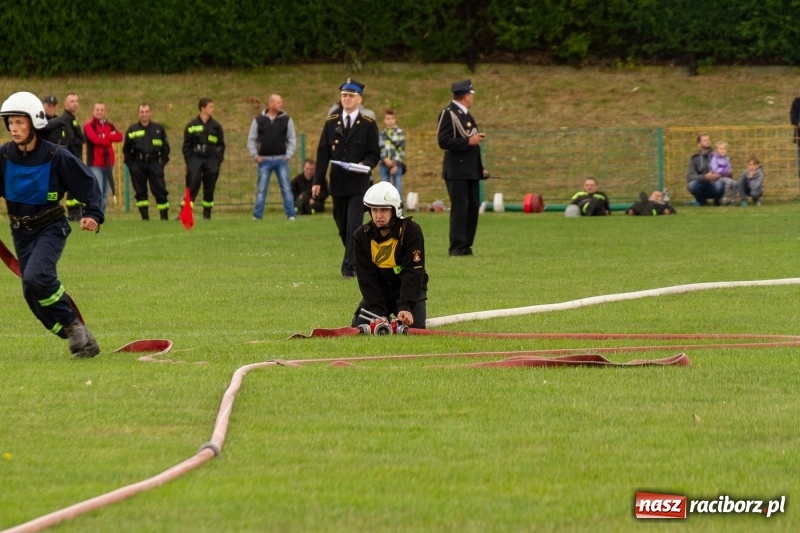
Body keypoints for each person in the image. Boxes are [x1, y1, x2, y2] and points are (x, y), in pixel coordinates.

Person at [0, 91, 103, 358]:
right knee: (30, 292)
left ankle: (73, 327)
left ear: (34, 122)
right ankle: (76, 334)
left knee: (37, 276)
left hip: (50, 227)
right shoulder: (4, 156)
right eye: (10, 122)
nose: (14, 128)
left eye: (20, 122)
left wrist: (93, 213)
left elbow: (88, 183)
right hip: (19, 232)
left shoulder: (56, 155)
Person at [313, 78, 380, 278]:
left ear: (359, 99)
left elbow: (374, 154)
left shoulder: (368, 124)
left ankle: (349, 268)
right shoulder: (331, 123)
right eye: (344, 95)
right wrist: (317, 181)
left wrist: (364, 165)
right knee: (342, 225)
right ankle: (359, 257)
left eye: (351, 96)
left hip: (359, 183)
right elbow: (323, 153)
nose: (347, 99)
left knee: (354, 225)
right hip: (338, 183)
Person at [351, 182, 428, 329]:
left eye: (384, 210)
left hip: (408, 290)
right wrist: (378, 313)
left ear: (394, 210)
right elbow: (366, 278)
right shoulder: (361, 237)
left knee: (415, 329)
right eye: (374, 210)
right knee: (360, 328)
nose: (379, 215)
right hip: (380, 291)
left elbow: (413, 271)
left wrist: (405, 306)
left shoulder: (411, 231)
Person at [437, 79, 488, 257]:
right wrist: (468, 141)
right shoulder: (448, 113)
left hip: (471, 170)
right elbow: (443, 141)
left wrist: (480, 168)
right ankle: (456, 247)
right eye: (471, 95)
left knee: (473, 206)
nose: (472, 99)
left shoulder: (466, 115)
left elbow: (474, 146)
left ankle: (466, 245)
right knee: (460, 208)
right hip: (457, 170)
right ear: (466, 96)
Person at [247, 94, 297, 220]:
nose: (281, 104)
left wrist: (288, 154)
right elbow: (251, 139)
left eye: (281, 102)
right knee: (261, 189)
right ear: (270, 104)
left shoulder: (287, 120)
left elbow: (292, 139)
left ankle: (291, 214)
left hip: (282, 160)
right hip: (264, 160)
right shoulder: (258, 120)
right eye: (278, 102)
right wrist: (255, 155)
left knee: (286, 188)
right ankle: (257, 215)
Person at [123, 103, 171, 220]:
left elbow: (166, 148)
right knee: (140, 192)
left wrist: (161, 164)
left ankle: (164, 217)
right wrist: (132, 165)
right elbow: (126, 149)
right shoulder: (132, 129)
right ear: (138, 114)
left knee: (160, 190)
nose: (144, 114)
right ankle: (145, 218)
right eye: (142, 112)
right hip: (138, 164)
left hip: (154, 163)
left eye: (146, 112)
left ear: (151, 113)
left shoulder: (158, 129)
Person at [182, 97, 225, 219]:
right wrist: (190, 161)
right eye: (210, 107)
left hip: (211, 159)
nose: (213, 109)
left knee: (209, 186)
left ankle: (207, 213)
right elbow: (186, 145)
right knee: (192, 184)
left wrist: (217, 160)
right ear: (203, 108)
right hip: (195, 158)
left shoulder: (216, 126)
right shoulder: (191, 125)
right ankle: (185, 213)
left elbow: (220, 145)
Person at [84, 102, 123, 215]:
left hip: (109, 163)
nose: (99, 112)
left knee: (105, 194)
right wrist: (108, 138)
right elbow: (95, 139)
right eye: (97, 110)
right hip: (95, 164)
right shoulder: (88, 126)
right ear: (93, 111)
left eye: (102, 110)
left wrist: (105, 135)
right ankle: (95, 215)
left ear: (105, 112)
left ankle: (102, 215)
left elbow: (119, 137)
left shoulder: (109, 125)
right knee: (98, 191)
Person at [686, 133, 724, 206]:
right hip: (702, 184)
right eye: (705, 140)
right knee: (691, 185)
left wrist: (720, 174)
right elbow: (689, 176)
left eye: (709, 139)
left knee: (719, 185)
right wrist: (704, 177)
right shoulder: (695, 158)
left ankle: (717, 201)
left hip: (715, 183)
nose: (708, 141)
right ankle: (702, 201)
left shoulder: (718, 155)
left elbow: (728, 171)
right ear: (699, 144)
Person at [379, 109, 406, 196]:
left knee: (397, 189)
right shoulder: (381, 134)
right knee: (384, 190)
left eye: (392, 118)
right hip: (384, 164)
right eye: (387, 118)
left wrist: (395, 164)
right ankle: (385, 208)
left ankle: (398, 209)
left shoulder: (399, 133)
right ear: (384, 120)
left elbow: (401, 150)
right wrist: (385, 160)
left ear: (395, 119)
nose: (390, 121)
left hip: (396, 165)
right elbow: (379, 149)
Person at [711, 141, 736, 205]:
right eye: (721, 149)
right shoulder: (714, 158)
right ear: (717, 150)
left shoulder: (726, 158)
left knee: (734, 183)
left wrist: (729, 170)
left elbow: (729, 166)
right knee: (729, 181)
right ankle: (724, 198)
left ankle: (733, 200)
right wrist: (724, 171)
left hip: (725, 176)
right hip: (718, 177)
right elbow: (715, 169)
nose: (723, 151)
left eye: (724, 149)